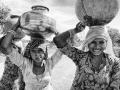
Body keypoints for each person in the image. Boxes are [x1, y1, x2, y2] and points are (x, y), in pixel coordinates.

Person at [53, 22, 120, 90]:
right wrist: (75, 30)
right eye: (93, 42)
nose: (97, 46)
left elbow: (115, 86)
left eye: (101, 42)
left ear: (106, 43)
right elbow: (58, 40)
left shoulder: (115, 62)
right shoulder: (80, 56)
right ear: (88, 43)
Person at [0, 18, 63, 90]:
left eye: (40, 50)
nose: (37, 54)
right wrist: (15, 26)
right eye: (33, 51)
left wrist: (56, 32)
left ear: (45, 52)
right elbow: (4, 47)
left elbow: (64, 47)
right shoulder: (24, 63)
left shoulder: (49, 63)